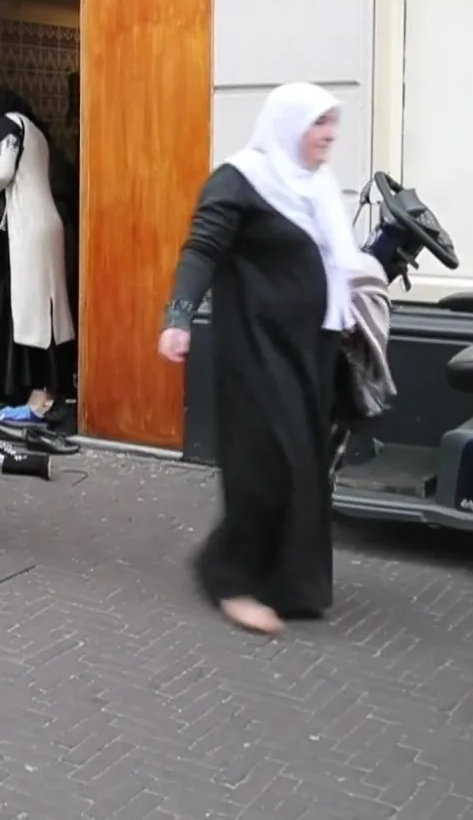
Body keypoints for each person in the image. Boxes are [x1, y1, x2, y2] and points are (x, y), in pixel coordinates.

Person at [157, 82, 362, 636]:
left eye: (331, 123)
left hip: (310, 350)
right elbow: (201, 249)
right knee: (267, 467)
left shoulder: (316, 186)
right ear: (290, 126)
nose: (329, 136)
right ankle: (229, 577)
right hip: (256, 350)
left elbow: (334, 259)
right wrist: (178, 318)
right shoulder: (239, 180)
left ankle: (293, 587)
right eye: (319, 124)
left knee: (306, 467)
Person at [0, 87, 75, 412]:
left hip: (26, 227)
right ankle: (52, 388)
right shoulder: (35, 130)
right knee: (49, 312)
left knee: (30, 314)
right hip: (48, 223)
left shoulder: (7, 123)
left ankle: (38, 393)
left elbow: (1, 171)